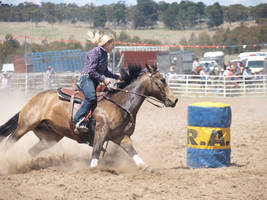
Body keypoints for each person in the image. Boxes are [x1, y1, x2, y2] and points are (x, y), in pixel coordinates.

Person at [73, 31, 121, 132]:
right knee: (91, 98)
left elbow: (105, 71)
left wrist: (117, 77)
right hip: (87, 78)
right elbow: (91, 70)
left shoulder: (104, 54)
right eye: (113, 44)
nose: (113, 46)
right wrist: (103, 79)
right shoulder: (95, 52)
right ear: (107, 43)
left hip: (94, 80)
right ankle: (77, 120)